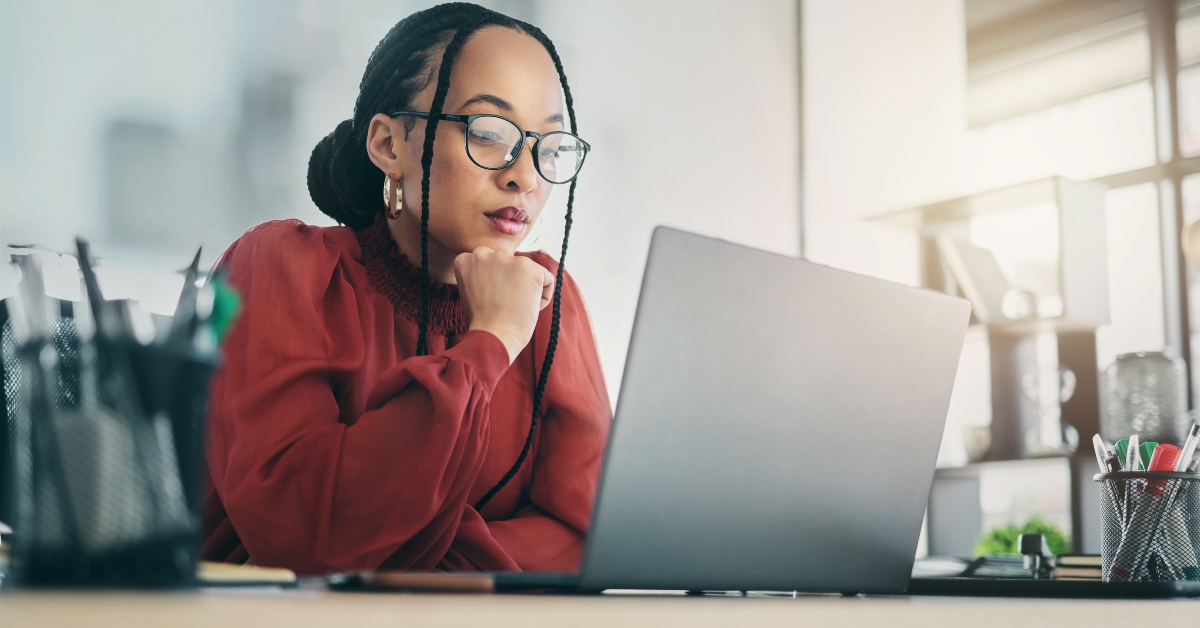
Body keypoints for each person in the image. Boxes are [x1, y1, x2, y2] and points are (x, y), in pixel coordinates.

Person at [200, 2, 610, 575]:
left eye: (549, 145)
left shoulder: (548, 300)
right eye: (489, 134)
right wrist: (490, 339)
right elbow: (301, 533)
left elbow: (588, 538)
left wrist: (408, 551)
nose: (524, 175)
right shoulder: (280, 266)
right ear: (389, 146)